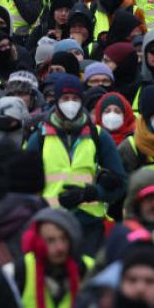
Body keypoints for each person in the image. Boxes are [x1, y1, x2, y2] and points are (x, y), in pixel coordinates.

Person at [24, 74, 128, 249]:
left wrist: (94, 193)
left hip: (90, 225)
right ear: (56, 100)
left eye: (75, 98)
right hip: (50, 224)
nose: (70, 103)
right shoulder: (39, 138)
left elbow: (120, 184)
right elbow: (23, 187)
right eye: (65, 98)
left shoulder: (99, 136)